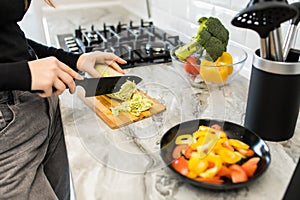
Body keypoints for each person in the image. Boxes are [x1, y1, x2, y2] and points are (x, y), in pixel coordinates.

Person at [0, 0, 126, 199]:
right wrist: (23, 73)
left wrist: (75, 60)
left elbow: (7, 36)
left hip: (39, 107)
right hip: (7, 131)